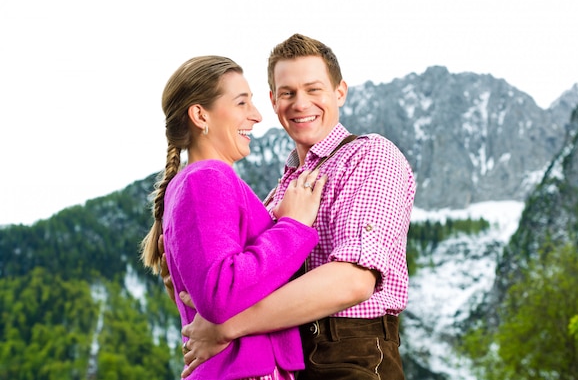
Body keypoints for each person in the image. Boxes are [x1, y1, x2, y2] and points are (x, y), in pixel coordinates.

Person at [171, 34, 416, 379]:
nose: (300, 104)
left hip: (351, 357)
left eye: (314, 89)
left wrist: (228, 326)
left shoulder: (369, 155)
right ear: (273, 101)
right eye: (288, 93)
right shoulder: (275, 197)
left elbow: (354, 281)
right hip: (288, 361)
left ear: (339, 92)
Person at [140, 55, 328, 380]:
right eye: (242, 103)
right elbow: (220, 294)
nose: (256, 115)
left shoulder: (191, 183)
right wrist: (292, 227)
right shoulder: (207, 178)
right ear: (200, 115)